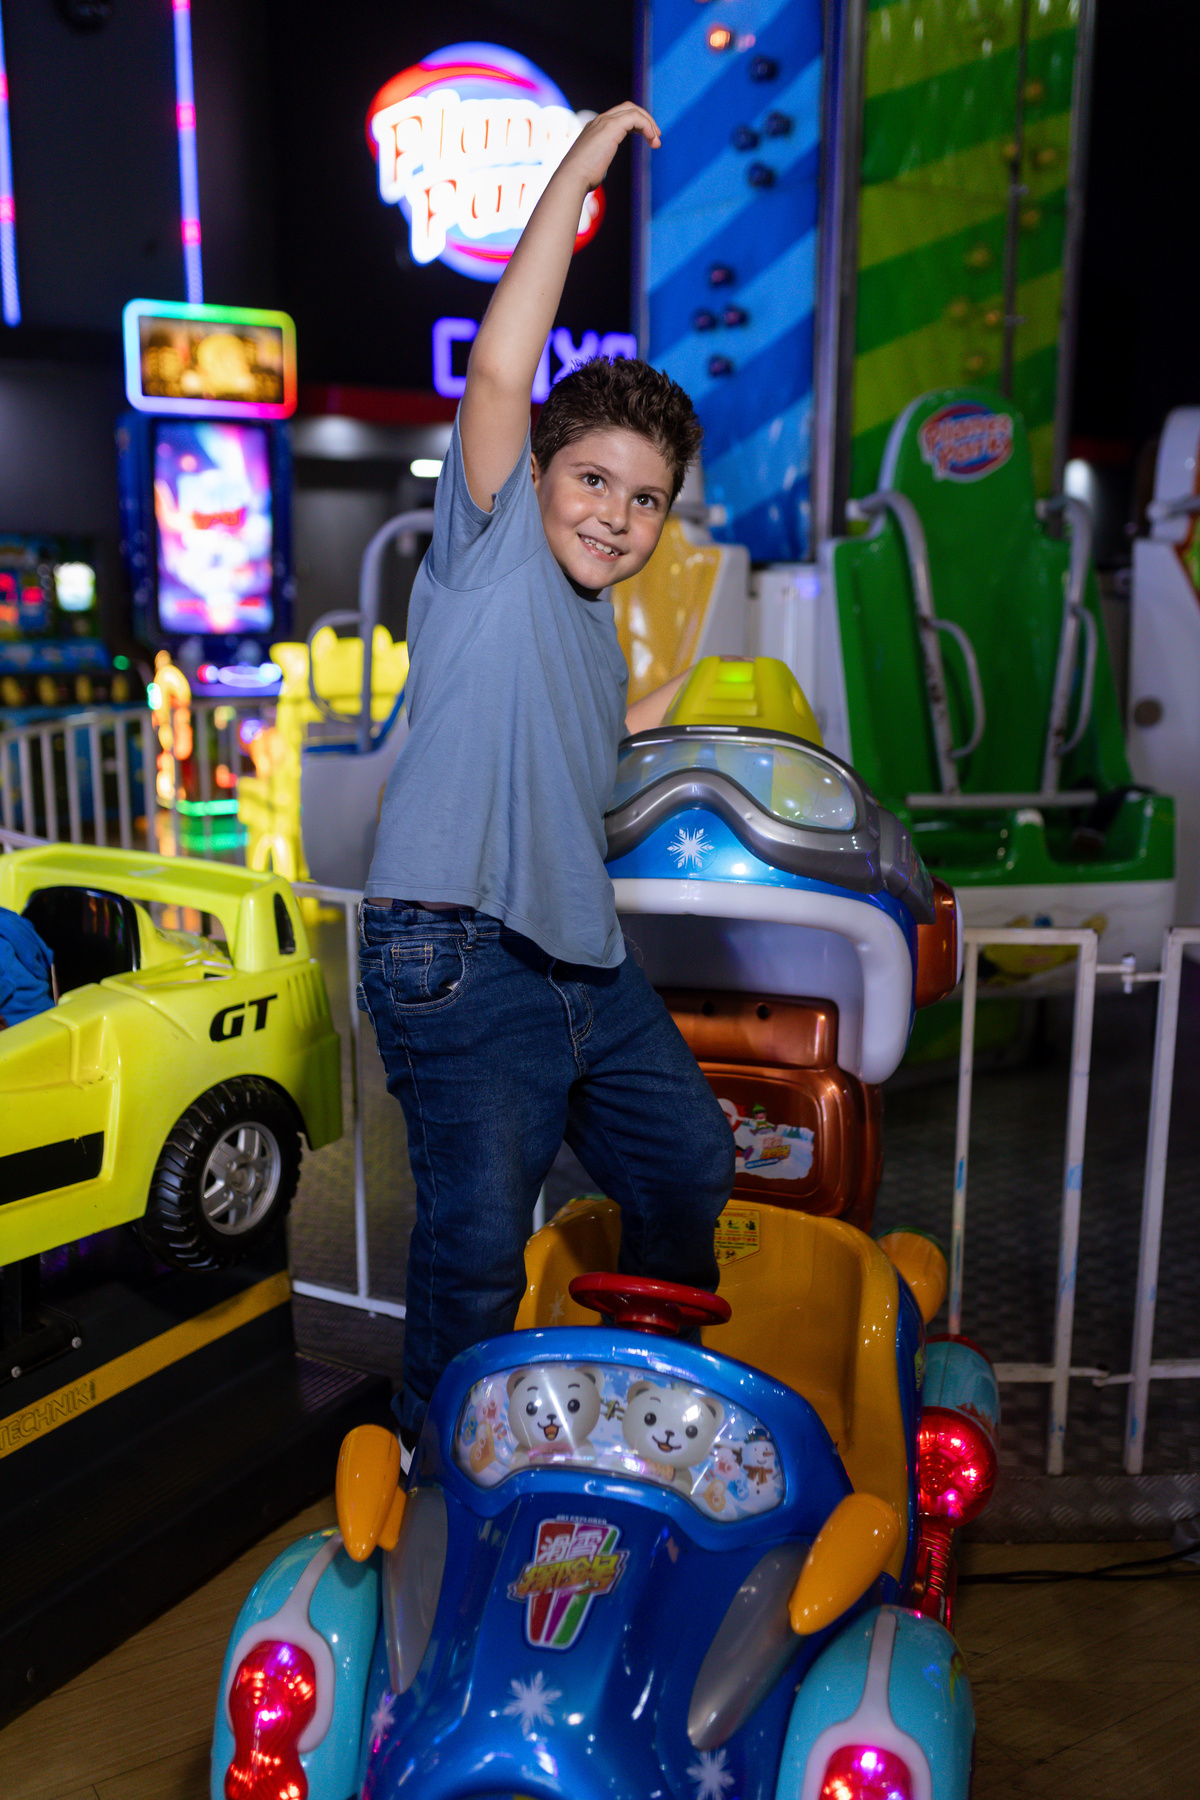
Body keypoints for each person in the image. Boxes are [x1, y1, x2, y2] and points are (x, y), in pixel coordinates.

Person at [358, 101, 735, 1445]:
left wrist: (708, 696)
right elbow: (503, 372)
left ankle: (651, 1396)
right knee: (474, 1238)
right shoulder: (493, 539)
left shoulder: (591, 622)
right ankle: (438, 1475)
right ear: (536, 474)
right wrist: (580, 171)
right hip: (459, 947)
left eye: (646, 500)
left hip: (581, 957)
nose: (615, 517)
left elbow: (592, 736)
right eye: (593, 480)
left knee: (689, 1158)